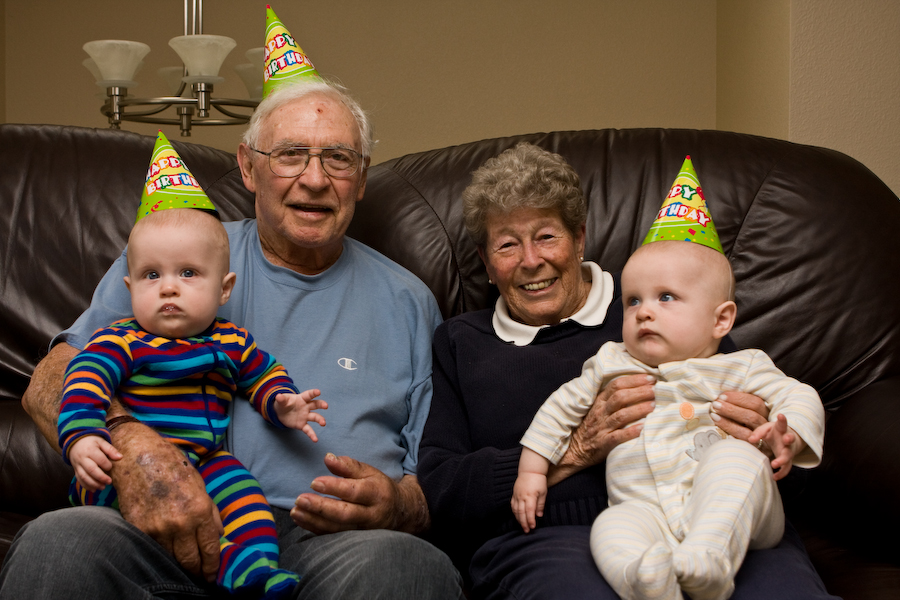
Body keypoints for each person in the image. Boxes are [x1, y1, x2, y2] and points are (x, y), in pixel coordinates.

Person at [2, 79, 462, 599]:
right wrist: (131, 445)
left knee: (405, 565)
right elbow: (46, 385)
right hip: (158, 528)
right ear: (248, 166)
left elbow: (440, 473)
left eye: (338, 157)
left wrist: (400, 505)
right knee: (58, 541)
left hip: (331, 546)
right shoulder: (174, 260)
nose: (314, 179)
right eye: (290, 155)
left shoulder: (410, 301)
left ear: (360, 179)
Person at [417, 142, 838, 600]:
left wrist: (766, 443)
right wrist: (571, 451)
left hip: (716, 518)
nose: (531, 260)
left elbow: (788, 458)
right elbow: (442, 490)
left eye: (546, 236)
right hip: (552, 539)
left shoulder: (665, 304)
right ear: (485, 263)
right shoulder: (461, 342)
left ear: (579, 238)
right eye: (507, 244)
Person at [513, 236, 825, 600]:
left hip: (741, 514)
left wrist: (790, 436)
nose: (644, 311)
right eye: (632, 301)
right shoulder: (610, 363)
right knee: (611, 526)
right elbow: (558, 408)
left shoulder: (742, 365)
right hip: (647, 511)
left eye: (666, 297)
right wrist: (532, 471)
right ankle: (648, 580)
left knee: (734, 459)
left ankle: (709, 557)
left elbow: (799, 395)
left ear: (721, 319)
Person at [60, 204, 329, 598]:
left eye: (188, 273)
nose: (169, 287)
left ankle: (259, 570)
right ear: (130, 288)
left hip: (206, 460)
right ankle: (232, 567)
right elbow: (84, 382)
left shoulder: (232, 341)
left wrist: (282, 402)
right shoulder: (121, 341)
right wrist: (81, 437)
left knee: (247, 500)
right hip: (122, 469)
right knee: (138, 505)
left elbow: (263, 373)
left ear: (224, 288)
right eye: (151, 275)